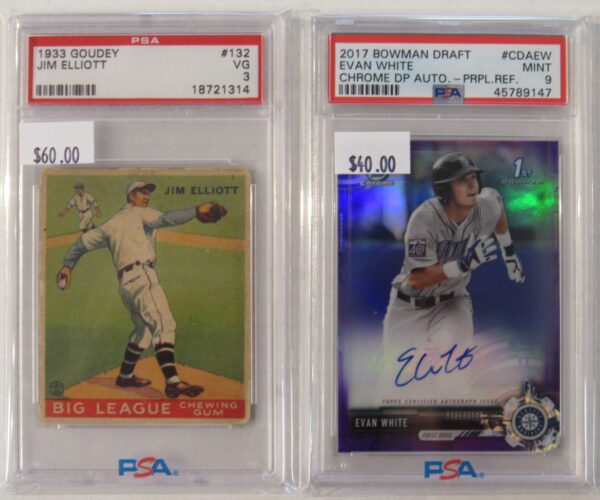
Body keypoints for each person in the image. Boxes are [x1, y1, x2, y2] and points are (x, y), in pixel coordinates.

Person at [56, 180, 227, 398]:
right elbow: (166, 219)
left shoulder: (111, 224)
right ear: (131, 196)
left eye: (148, 193)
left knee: (143, 331)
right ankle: (173, 382)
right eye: (142, 193)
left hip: (126, 286)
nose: (147, 197)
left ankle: (125, 376)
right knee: (164, 324)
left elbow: (81, 244)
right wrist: (195, 211)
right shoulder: (140, 213)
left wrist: (67, 265)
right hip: (143, 277)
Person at [378, 152, 525, 403]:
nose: (472, 185)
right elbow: (417, 280)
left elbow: (497, 205)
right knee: (393, 384)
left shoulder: (482, 207)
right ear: (445, 189)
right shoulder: (424, 219)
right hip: (409, 306)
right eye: (462, 180)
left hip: (452, 303)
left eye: (473, 177)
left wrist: (509, 255)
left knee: (453, 378)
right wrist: (465, 263)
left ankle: (452, 419)